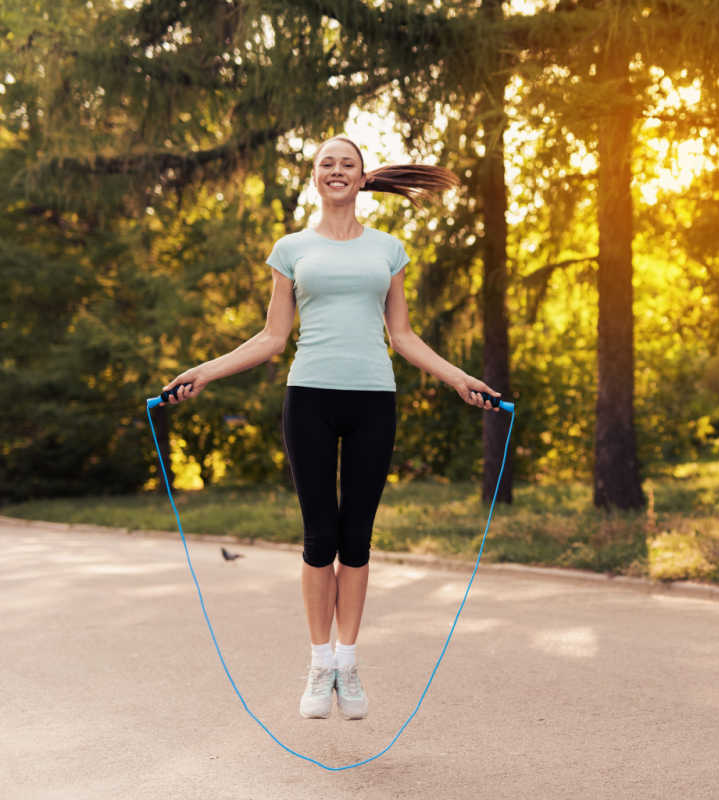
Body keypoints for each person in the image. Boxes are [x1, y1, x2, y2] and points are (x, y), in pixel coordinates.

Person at [161, 135, 501, 719]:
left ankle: (348, 659)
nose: (336, 171)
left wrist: (459, 378)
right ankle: (319, 664)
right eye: (327, 164)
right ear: (315, 178)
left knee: (357, 538)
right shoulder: (291, 248)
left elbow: (404, 336)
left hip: (374, 399)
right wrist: (206, 372)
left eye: (347, 164)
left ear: (362, 178)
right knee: (319, 537)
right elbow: (272, 339)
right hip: (309, 398)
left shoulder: (388, 250)